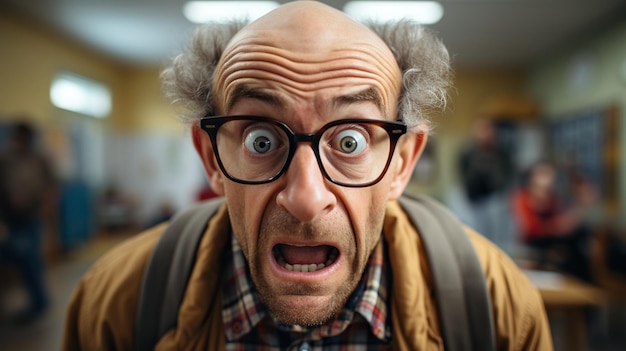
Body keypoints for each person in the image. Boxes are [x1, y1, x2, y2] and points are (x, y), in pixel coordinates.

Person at [62, 2, 552, 350]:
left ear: (402, 163)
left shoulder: (496, 306)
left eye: (350, 141)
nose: (305, 197)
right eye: (260, 139)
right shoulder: (116, 304)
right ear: (211, 158)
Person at [0, 120, 56, 323]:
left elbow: (51, 188)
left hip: (32, 218)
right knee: (16, 258)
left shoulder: (39, 159)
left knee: (30, 259)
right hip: (10, 220)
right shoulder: (6, 159)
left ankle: (39, 303)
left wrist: (49, 219)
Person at [511, 161, 595, 280]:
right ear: (532, 177)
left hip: (555, 243)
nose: (549, 180)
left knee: (584, 237)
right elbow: (532, 228)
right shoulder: (522, 198)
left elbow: (562, 224)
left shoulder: (552, 200)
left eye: (551, 175)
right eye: (544, 175)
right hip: (534, 244)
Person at [458, 117, 514, 249]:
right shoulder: (468, 153)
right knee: (475, 236)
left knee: (496, 238)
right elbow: (464, 175)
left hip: (495, 200)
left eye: (488, 130)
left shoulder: (500, 154)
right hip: (473, 200)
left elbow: (505, 177)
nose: (485, 133)